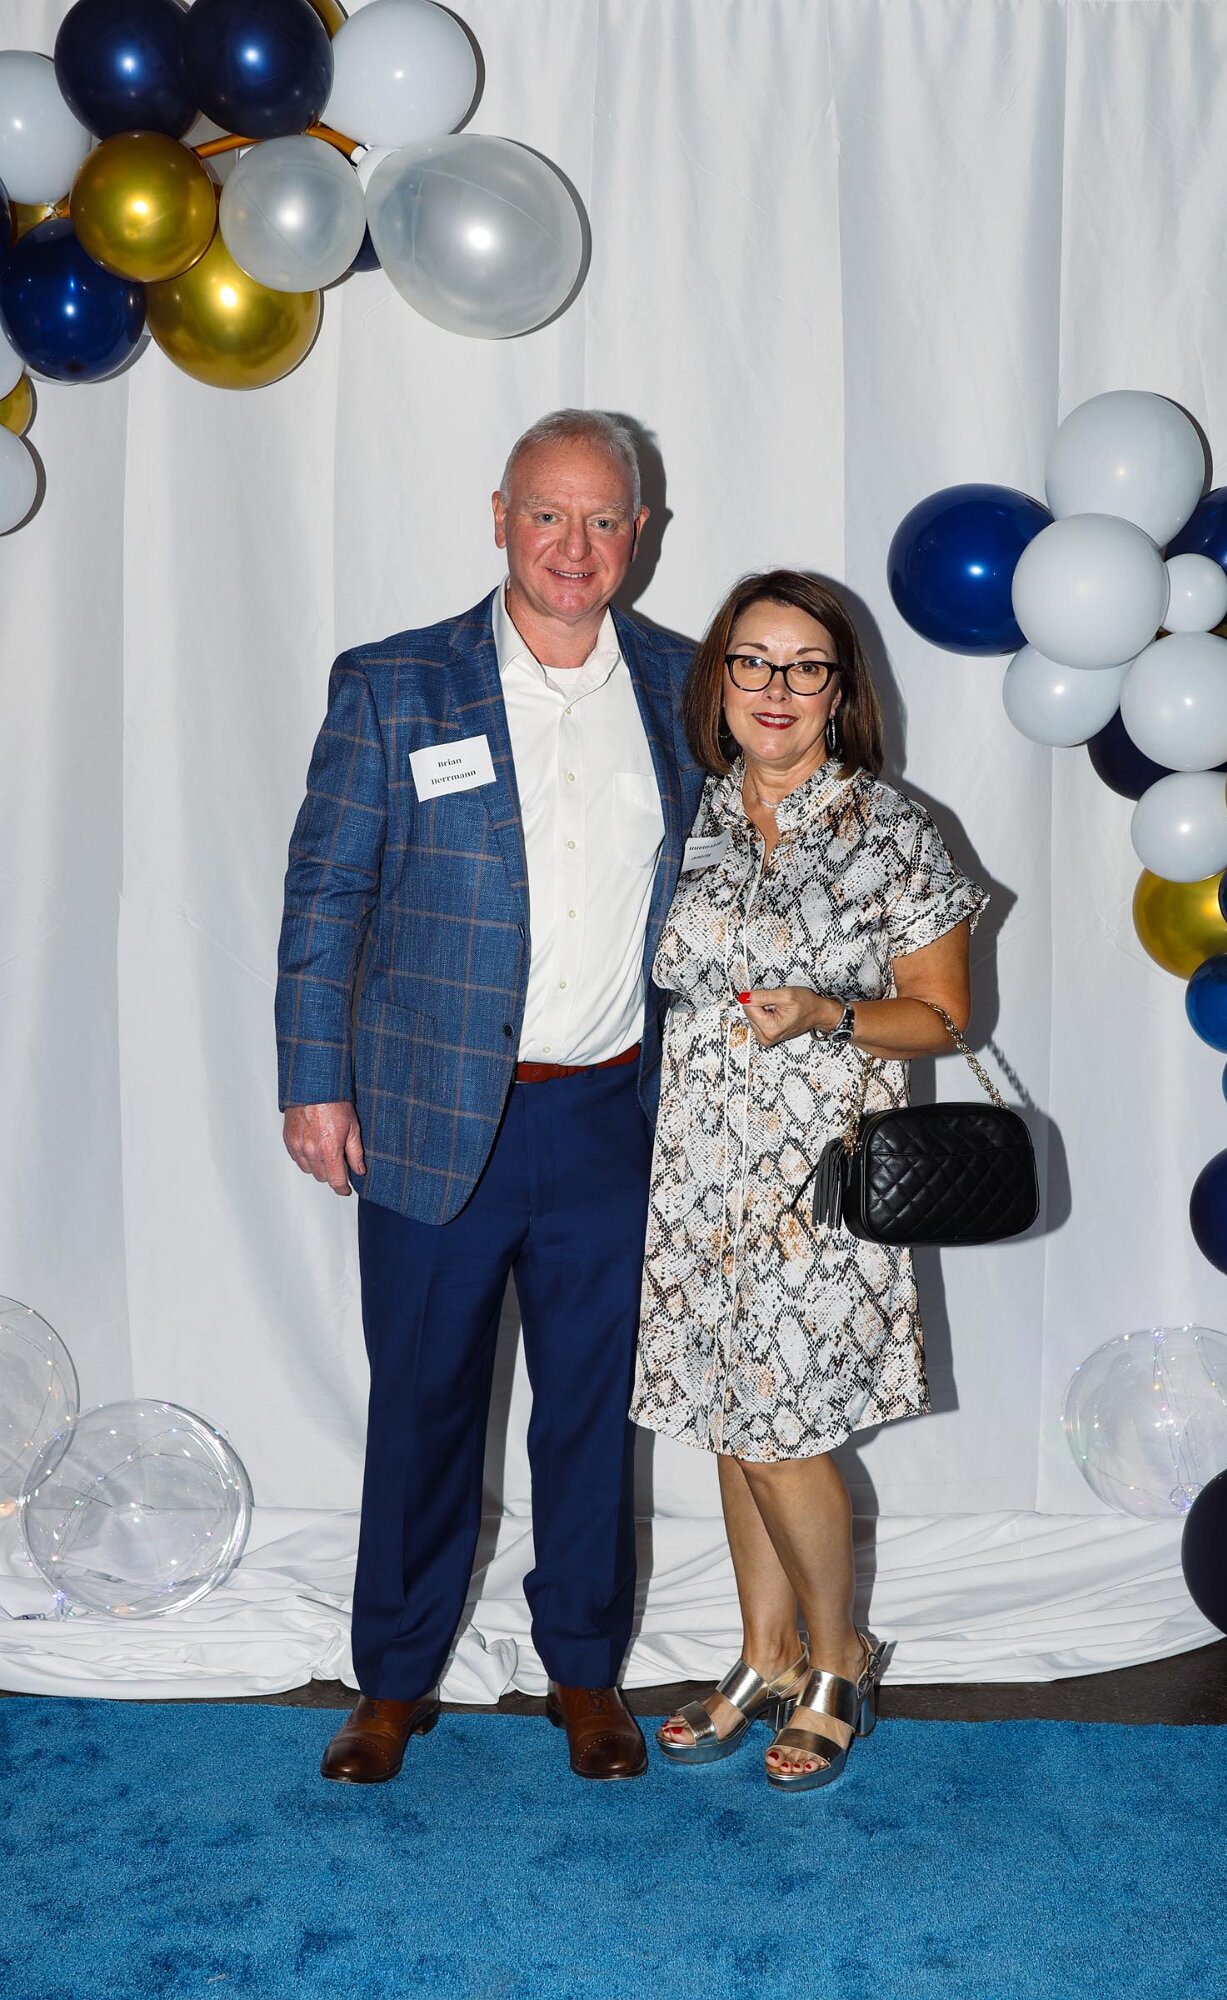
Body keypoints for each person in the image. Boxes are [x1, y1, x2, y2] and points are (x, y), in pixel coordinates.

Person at [277, 410, 703, 1784]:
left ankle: (584, 1672)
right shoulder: (396, 684)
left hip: (611, 1120)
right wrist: (314, 1081)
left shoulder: (686, 688)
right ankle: (393, 1681)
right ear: (501, 518)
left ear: (637, 533)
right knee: (423, 1409)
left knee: (591, 1414)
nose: (574, 545)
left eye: (602, 519)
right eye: (548, 514)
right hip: (427, 1114)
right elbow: (327, 893)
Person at [631, 569, 987, 1791]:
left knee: (783, 1433)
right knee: (730, 1423)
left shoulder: (892, 828)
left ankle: (838, 1658)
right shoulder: (687, 812)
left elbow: (946, 1014)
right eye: (752, 661)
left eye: (805, 666)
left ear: (841, 691)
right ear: (717, 680)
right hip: (694, 1175)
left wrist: (829, 1010)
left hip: (818, 1186)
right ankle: (763, 1651)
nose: (775, 688)